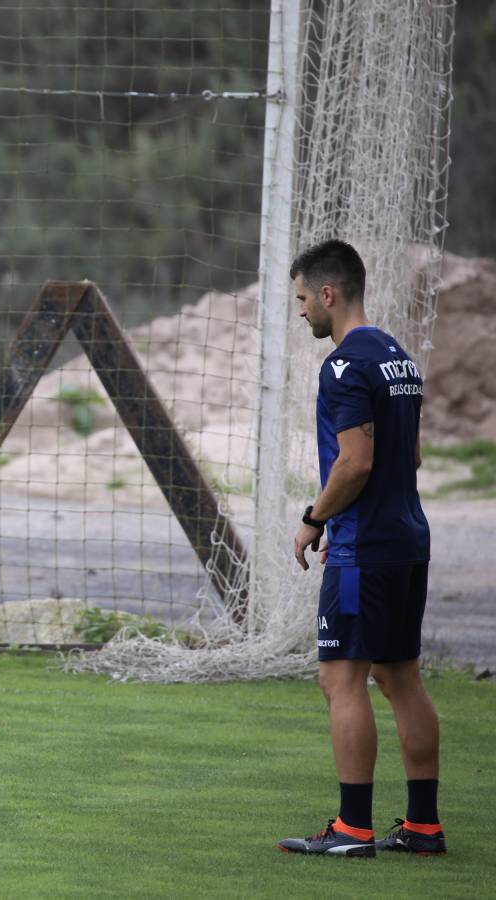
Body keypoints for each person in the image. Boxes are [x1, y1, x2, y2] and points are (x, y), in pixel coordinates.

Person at [278, 239, 445, 857]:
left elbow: (355, 462)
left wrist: (314, 519)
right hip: (408, 538)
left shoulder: (344, 366)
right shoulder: (399, 357)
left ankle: (352, 829)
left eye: (302, 298)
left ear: (328, 293)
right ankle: (423, 826)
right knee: (400, 676)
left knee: (339, 678)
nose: (301, 312)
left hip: (365, 548)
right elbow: (413, 456)